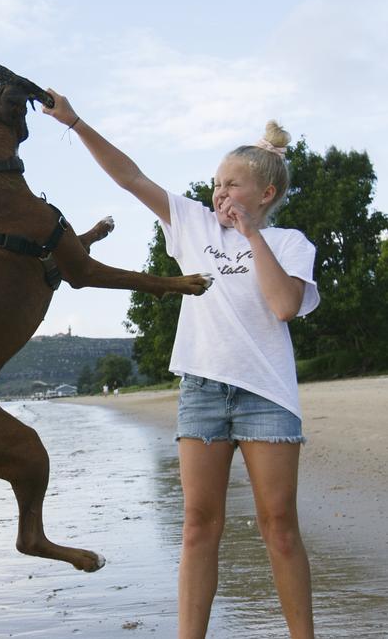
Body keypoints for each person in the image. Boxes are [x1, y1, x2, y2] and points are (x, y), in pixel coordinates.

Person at [43, 92, 319, 639]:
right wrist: (74, 121)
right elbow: (131, 178)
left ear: (266, 193)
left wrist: (251, 235)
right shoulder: (191, 223)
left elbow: (284, 306)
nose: (219, 193)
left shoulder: (289, 242)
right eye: (217, 183)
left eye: (232, 185)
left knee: (280, 527)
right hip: (202, 391)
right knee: (198, 527)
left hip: (267, 396)